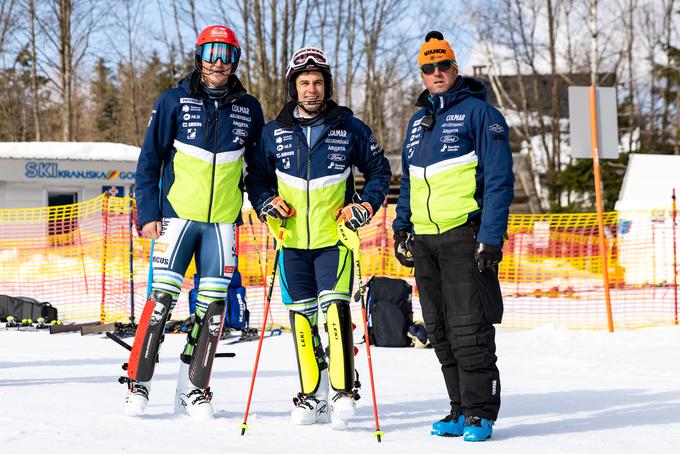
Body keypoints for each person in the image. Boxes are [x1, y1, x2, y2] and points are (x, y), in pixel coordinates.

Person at [246, 47, 391, 428]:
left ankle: (343, 390)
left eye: (318, 82)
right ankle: (312, 395)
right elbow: (256, 178)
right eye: (304, 82)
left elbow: (379, 171)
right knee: (301, 320)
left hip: (334, 240)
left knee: (334, 312)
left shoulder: (349, 127)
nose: (311, 89)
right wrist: (265, 202)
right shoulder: (272, 132)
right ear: (293, 87)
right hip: (291, 243)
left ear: (327, 86)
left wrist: (363, 207)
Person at [128, 24, 264, 419]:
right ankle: (138, 383)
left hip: (222, 223)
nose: (218, 62)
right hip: (176, 218)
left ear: (235, 60)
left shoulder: (249, 108)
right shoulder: (174, 100)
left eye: (226, 54)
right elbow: (149, 161)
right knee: (161, 304)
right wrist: (149, 213)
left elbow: (256, 168)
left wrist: (265, 203)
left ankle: (194, 388)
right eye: (211, 52)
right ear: (199, 56)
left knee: (212, 310)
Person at [392, 31, 514, 442]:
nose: (437, 72)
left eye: (444, 65)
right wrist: (402, 228)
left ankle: (481, 412)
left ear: (455, 68)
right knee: (439, 329)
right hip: (425, 240)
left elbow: (499, 181)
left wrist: (491, 237)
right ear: (422, 74)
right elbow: (409, 181)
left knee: (470, 327)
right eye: (429, 67)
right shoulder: (417, 122)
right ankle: (459, 408)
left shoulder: (481, 114)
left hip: (464, 235)